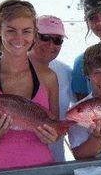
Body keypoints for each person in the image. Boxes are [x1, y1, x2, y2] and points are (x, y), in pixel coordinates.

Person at [0, 0, 59, 171]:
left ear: (34, 34)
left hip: (43, 170)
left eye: (26, 31)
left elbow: (55, 129)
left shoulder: (48, 77)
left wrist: (52, 136)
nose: (19, 38)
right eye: (11, 30)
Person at [28, 15, 75, 162]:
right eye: (44, 37)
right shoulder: (14, 69)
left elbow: (81, 107)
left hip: (55, 160)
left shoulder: (66, 72)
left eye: (57, 40)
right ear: (33, 37)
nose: (50, 44)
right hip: (19, 160)